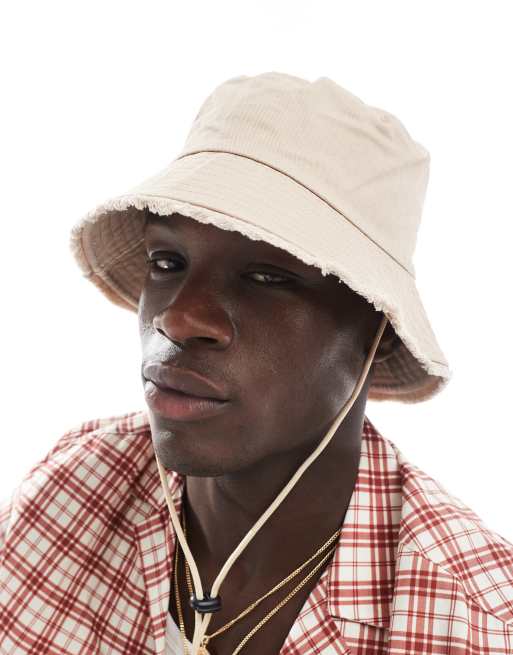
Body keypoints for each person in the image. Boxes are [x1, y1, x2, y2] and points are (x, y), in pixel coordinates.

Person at [1, 72, 512, 655]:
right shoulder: (71, 489)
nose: (178, 318)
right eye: (166, 262)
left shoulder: (474, 624)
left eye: (268, 277)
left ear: (382, 336)